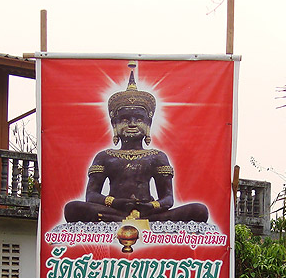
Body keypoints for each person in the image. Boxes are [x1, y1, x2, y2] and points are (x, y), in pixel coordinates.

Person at [63, 70, 208, 223]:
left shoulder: (157, 157)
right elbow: (91, 195)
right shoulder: (105, 157)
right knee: (72, 208)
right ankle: (125, 218)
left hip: (148, 212)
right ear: (114, 124)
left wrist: (150, 206)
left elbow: (168, 198)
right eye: (125, 120)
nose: (132, 124)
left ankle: (123, 220)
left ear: (148, 124)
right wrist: (115, 202)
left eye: (138, 119)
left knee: (199, 210)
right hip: (114, 208)